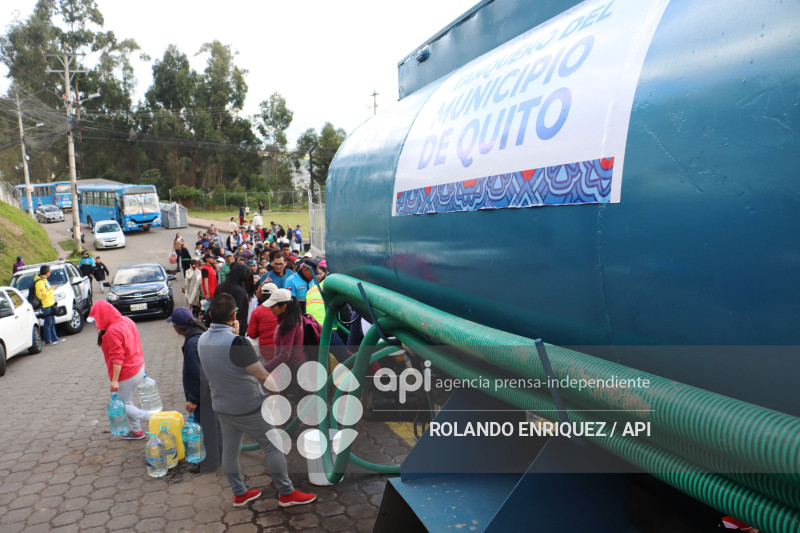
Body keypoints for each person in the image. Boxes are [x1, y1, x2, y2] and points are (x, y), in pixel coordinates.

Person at [197, 293, 316, 508]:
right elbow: (261, 375)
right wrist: (277, 394)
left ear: (210, 314)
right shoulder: (238, 343)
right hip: (249, 408)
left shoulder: (202, 339)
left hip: (223, 407)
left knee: (231, 451)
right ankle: (286, 493)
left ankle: (239, 493)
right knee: (273, 446)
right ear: (234, 315)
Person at [168, 307, 222, 473]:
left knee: (205, 428)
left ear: (178, 327)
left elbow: (200, 375)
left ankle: (210, 463)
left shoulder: (192, 344)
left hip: (203, 395)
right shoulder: (200, 334)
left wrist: (194, 399)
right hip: (211, 391)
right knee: (213, 426)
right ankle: (218, 456)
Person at [88, 300, 150, 439]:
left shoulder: (112, 331)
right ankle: (136, 431)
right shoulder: (126, 320)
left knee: (121, 405)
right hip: (138, 367)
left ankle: (151, 418)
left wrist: (115, 381)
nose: (96, 322)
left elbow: (117, 357)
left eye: (97, 318)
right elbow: (137, 343)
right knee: (126, 400)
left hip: (127, 373)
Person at [263, 289, 305, 374]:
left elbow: (284, 355)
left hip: (292, 370)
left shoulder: (289, 324)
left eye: (273, 306)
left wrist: (264, 368)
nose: (271, 309)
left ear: (284, 306)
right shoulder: (294, 317)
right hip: (295, 366)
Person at [214, 263, 250, 336]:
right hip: (233, 327)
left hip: (216, 324)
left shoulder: (220, 287)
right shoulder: (239, 291)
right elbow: (237, 310)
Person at [247, 283, 278, 361]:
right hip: (283, 350)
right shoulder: (284, 310)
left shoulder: (257, 311)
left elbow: (251, 334)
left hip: (265, 351)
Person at [34, 265, 64, 346]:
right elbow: (41, 295)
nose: (50, 273)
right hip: (45, 305)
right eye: (49, 271)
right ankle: (48, 340)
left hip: (50, 303)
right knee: (47, 324)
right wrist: (51, 289)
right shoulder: (40, 282)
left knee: (52, 322)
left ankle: (54, 338)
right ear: (47, 272)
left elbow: (46, 290)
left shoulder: (44, 280)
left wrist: (51, 288)